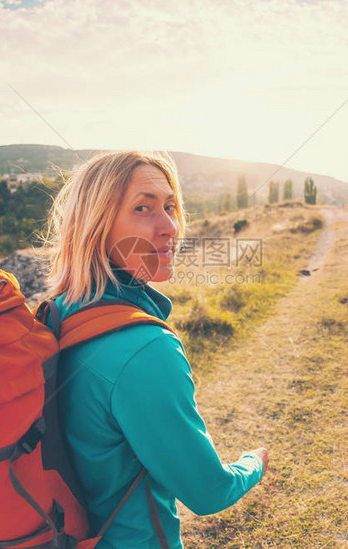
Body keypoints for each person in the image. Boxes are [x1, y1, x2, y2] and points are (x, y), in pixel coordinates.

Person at [43, 150, 269, 548]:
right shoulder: (144, 349)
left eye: (170, 206)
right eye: (143, 208)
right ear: (97, 227)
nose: (169, 227)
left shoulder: (55, 316)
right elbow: (208, 492)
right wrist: (253, 463)